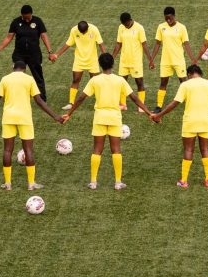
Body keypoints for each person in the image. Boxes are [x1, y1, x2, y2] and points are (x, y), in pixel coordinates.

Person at [63, 53, 153, 190]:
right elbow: (134, 98)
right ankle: (118, 182)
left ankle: (93, 182)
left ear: (100, 64)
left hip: (99, 117)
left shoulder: (95, 80)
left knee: (97, 150)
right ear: (113, 64)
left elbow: (81, 98)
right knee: (116, 150)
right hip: (115, 118)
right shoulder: (120, 80)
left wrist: (69, 113)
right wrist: (148, 113)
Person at [0, 60, 64, 190]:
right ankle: (31, 184)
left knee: (7, 150)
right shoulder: (29, 79)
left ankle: (8, 183)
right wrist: (55, 116)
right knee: (28, 150)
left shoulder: (5, 79)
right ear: (25, 69)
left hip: (8, 117)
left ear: (13, 68)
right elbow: (39, 101)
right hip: (25, 118)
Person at [151, 64, 208, 188]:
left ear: (189, 74)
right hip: (205, 121)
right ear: (199, 73)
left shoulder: (185, 85)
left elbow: (175, 103)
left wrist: (160, 115)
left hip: (190, 122)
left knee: (188, 150)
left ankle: (183, 181)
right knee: (205, 150)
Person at [0, 5, 55, 101]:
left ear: (31, 14)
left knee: (38, 76)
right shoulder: (16, 22)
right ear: (21, 15)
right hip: (19, 54)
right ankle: (16, 97)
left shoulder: (38, 21)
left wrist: (50, 52)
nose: (27, 20)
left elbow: (44, 36)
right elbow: (8, 37)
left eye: (28, 17)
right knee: (17, 76)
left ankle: (42, 98)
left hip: (34, 54)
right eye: (24, 18)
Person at [150, 7, 197, 113]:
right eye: (166, 18)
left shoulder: (182, 27)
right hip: (165, 61)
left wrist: (193, 59)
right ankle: (158, 106)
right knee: (163, 83)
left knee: (184, 83)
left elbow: (186, 44)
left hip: (178, 60)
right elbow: (157, 44)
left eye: (170, 18)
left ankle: (190, 104)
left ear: (174, 16)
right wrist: (151, 59)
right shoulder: (161, 27)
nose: (168, 20)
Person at [53, 20, 106, 110]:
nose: (82, 33)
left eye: (84, 32)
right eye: (81, 32)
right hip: (79, 60)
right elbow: (68, 44)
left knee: (95, 81)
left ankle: (100, 102)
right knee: (75, 80)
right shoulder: (74, 30)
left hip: (92, 60)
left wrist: (105, 56)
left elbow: (100, 43)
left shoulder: (94, 29)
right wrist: (57, 54)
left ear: (88, 28)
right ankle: (71, 103)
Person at [112, 12, 153, 111]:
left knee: (139, 83)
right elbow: (118, 44)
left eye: (126, 24)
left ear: (130, 20)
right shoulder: (121, 27)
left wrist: (150, 60)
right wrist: (112, 57)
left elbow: (144, 45)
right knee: (122, 82)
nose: (125, 26)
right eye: (123, 24)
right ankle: (123, 104)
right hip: (124, 61)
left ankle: (141, 106)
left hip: (136, 62)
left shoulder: (139, 28)